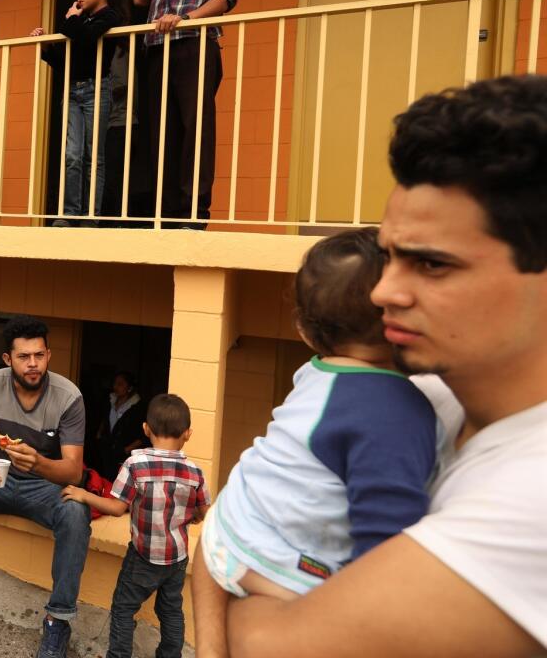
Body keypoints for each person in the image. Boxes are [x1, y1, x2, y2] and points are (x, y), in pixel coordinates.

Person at [195, 75, 547, 657]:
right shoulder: (417, 387)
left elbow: (275, 645)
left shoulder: (529, 498)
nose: (383, 292)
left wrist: (235, 603)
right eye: (389, 257)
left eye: (431, 264)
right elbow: (233, 521)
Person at [199, 228, 437, 612]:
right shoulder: (394, 411)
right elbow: (386, 551)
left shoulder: (317, 371)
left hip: (234, 522)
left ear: (306, 334)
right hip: (268, 556)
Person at [0, 315, 89, 658]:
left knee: (76, 513)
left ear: (49, 354)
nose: (33, 364)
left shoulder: (68, 397)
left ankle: (57, 621)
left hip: (44, 488)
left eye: (39, 355)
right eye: (24, 357)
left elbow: (73, 471)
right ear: (8, 359)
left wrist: (38, 463)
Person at [132, 0, 243, 227]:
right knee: (160, 134)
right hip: (155, 49)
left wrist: (185, 19)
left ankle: (193, 215)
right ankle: (163, 216)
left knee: (194, 129)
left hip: (194, 43)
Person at [62, 394, 209, 658]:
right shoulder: (195, 472)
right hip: (177, 558)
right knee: (171, 611)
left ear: (146, 429)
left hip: (143, 556)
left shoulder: (135, 465)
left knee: (123, 608)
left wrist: (84, 494)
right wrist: (193, 516)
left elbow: (118, 508)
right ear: (188, 433)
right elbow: (201, 512)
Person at [31, 0, 127, 226]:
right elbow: (65, 59)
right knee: (72, 154)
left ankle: (91, 216)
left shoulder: (110, 16)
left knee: (93, 155)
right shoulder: (77, 20)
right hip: (72, 91)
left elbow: (86, 38)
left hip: (98, 88)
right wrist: (44, 46)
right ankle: (70, 213)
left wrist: (71, 19)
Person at [93, 371, 147, 480]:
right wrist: (99, 435)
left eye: (120, 384)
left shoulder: (137, 407)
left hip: (124, 456)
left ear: (129, 387)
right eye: (115, 383)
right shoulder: (110, 401)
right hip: (107, 451)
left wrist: (126, 450)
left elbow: (143, 435)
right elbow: (105, 419)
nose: (116, 387)